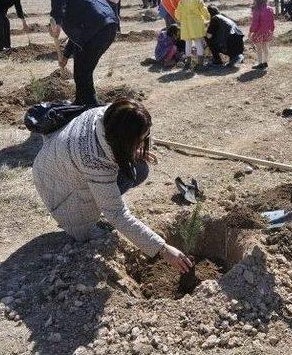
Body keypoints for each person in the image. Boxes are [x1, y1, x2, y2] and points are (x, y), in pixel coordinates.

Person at [32, 99, 193, 274]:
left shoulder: (110, 115)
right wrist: (162, 249)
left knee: (138, 169)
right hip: (58, 186)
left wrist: (131, 150)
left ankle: (102, 198)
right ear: (123, 139)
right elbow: (116, 213)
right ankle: (78, 219)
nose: (143, 142)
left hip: (64, 161)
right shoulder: (94, 158)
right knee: (91, 235)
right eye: (139, 140)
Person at [33, 0, 118, 106]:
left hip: (97, 27)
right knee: (82, 68)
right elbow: (77, 36)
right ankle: (84, 103)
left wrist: (57, 22)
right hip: (102, 27)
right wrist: (65, 55)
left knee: (82, 71)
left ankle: (88, 106)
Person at [175, 0, 210, 70]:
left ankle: (188, 62)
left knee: (188, 44)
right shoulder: (198, 0)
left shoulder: (181, 2)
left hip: (186, 26)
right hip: (197, 25)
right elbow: (205, 12)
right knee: (198, 43)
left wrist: (179, 19)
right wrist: (207, 19)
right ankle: (200, 63)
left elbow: (177, 15)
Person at [249, 0, 275, 70]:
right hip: (267, 32)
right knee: (265, 47)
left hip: (258, 33)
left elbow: (255, 23)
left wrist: (250, 32)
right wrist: (272, 30)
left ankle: (259, 63)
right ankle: (265, 62)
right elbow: (272, 21)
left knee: (259, 48)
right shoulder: (270, 9)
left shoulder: (256, 10)